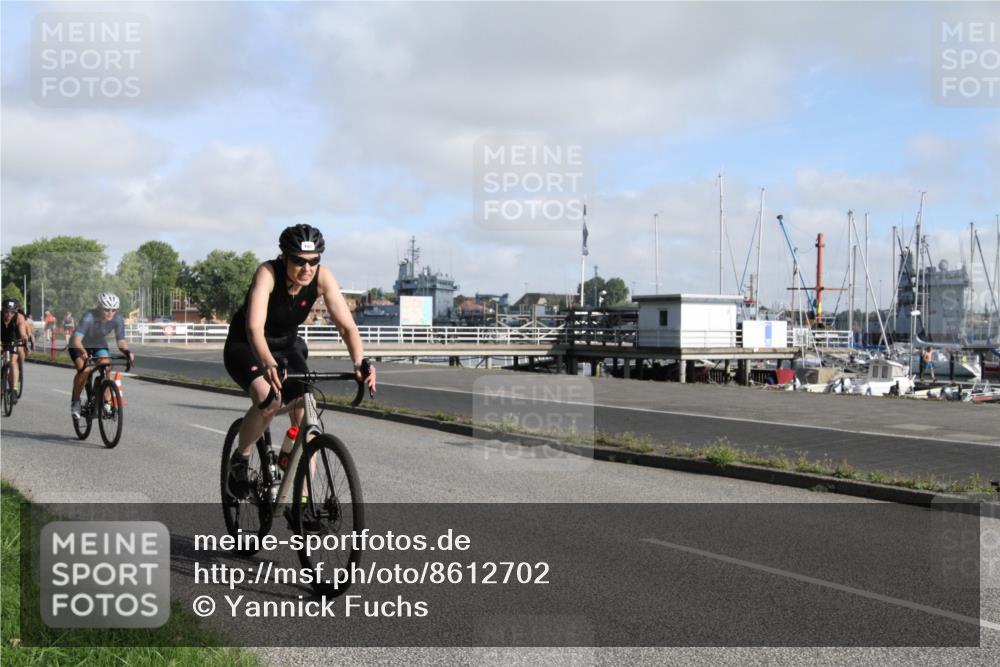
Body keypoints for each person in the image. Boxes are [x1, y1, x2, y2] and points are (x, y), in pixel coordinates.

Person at [223, 224, 376, 512]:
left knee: (308, 416)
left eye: (313, 261)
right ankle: (240, 460)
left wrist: (359, 361)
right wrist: (267, 362)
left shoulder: (322, 278)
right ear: (284, 258)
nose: (307, 268)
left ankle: (302, 503)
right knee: (271, 400)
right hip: (248, 345)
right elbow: (254, 327)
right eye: (299, 261)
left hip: (287, 346)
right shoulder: (267, 274)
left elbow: (346, 326)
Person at [69, 292, 134, 419]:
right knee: (85, 370)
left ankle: (106, 402)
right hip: (79, 344)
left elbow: (121, 341)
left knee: (107, 365)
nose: (110, 313)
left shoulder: (118, 319)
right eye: (106, 309)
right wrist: (83, 352)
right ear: (99, 307)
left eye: (114, 310)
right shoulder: (89, 317)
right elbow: (76, 340)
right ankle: (76, 402)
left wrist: (127, 352)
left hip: (97, 342)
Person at [1, 299, 31, 402]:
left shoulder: (19, 317)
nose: (9, 314)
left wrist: (25, 337)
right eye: (6, 311)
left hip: (13, 338)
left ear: (16, 312)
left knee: (13, 362)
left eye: (12, 312)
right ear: (2, 310)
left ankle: (13, 389)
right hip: (1, 337)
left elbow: (22, 332)